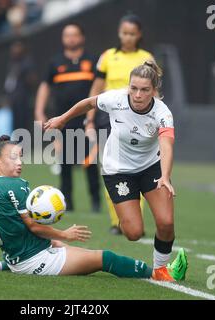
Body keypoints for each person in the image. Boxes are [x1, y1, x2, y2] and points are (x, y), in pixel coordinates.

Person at [0, 135, 187, 282]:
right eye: (13, 158)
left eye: (20, 157)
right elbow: (33, 226)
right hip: (36, 261)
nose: (20, 163)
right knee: (105, 258)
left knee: (58, 244)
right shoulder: (15, 185)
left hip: (17, 257)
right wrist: (65, 233)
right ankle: (162, 274)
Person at [44, 60, 181, 279]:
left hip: (151, 168)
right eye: (133, 88)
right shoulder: (115, 99)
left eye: (145, 90)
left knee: (166, 223)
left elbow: (166, 145)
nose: (137, 95)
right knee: (133, 233)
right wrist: (62, 119)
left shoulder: (163, 113)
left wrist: (165, 176)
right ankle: (130, 221)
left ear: (154, 91)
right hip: (118, 170)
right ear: (128, 86)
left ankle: (160, 269)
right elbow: (88, 103)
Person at [86, 14, 154, 235]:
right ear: (119, 33)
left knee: (138, 169)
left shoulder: (147, 58)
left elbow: (154, 91)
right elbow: (96, 89)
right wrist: (89, 119)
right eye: (124, 33)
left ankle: (136, 223)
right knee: (110, 169)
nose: (128, 37)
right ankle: (117, 222)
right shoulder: (107, 57)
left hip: (138, 118)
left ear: (139, 35)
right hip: (108, 117)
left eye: (132, 33)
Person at [34, 23, 100, 212]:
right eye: (67, 35)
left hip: (87, 120)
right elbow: (45, 86)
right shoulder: (55, 62)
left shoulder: (92, 60)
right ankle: (67, 203)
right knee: (65, 163)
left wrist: (93, 118)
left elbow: (99, 87)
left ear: (82, 37)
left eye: (74, 35)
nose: (71, 38)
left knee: (90, 162)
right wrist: (39, 111)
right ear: (63, 39)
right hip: (62, 120)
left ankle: (95, 202)